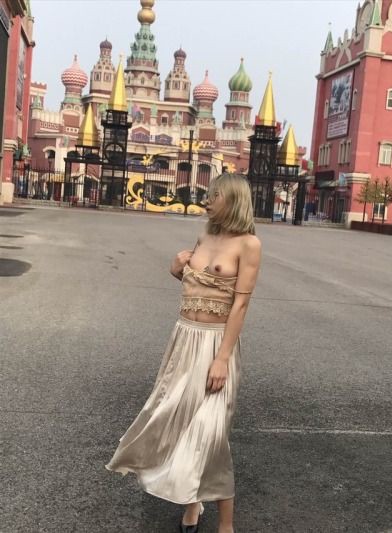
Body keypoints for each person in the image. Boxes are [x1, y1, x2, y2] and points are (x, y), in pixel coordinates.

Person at [106, 173, 261, 533]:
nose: (207, 201)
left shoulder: (249, 244)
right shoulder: (204, 236)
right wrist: (176, 270)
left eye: (215, 195)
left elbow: (239, 306)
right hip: (185, 338)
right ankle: (193, 504)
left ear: (233, 200)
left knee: (211, 433)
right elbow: (197, 286)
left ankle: (226, 523)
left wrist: (222, 359)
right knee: (180, 419)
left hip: (217, 344)